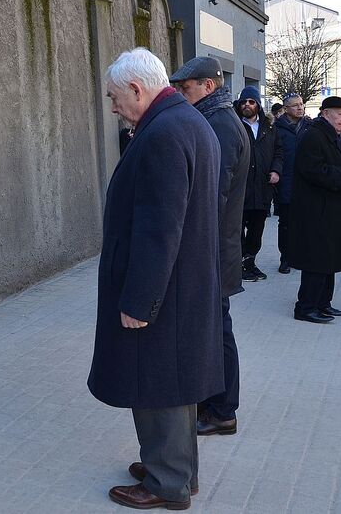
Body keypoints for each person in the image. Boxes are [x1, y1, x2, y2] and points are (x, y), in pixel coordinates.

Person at [89, 48, 223, 510]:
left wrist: (139, 300)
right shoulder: (184, 121)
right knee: (173, 383)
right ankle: (177, 471)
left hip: (162, 291)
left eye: (113, 97)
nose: (112, 107)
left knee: (157, 384)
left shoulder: (163, 132)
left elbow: (158, 228)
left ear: (136, 89)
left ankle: (167, 484)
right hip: (182, 285)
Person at [170, 56, 249, 438]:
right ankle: (216, 404)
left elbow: (210, 196)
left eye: (186, 89)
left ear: (208, 86)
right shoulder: (216, 120)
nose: (181, 96)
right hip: (217, 247)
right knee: (216, 326)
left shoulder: (217, 124)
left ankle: (222, 410)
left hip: (214, 250)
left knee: (217, 329)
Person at [288, 97, 341, 323]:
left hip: (329, 209)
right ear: (326, 113)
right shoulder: (313, 136)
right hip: (316, 210)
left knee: (328, 259)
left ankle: (323, 304)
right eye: (340, 114)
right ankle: (306, 307)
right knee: (317, 260)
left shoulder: (332, 135)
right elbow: (313, 170)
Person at [235, 86, 283, 281]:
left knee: (257, 229)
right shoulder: (235, 125)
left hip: (262, 188)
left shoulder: (269, 128)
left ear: (258, 105)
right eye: (244, 102)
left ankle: (250, 262)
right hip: (240, 188)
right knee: (237, 229)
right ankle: (239, 265)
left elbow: (279, 151)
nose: (247, 105)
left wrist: (276, 170)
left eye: (251, 102)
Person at [273, 93, 313, 274]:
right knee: (286, 223)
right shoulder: (277, 129)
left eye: (301, 104)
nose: (300, 108)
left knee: (306, 222)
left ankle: (303, 256)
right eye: (295, 105)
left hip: (307, 183)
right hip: (287, 182)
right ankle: (285, 258)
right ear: (286, 109)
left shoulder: (310, 127)